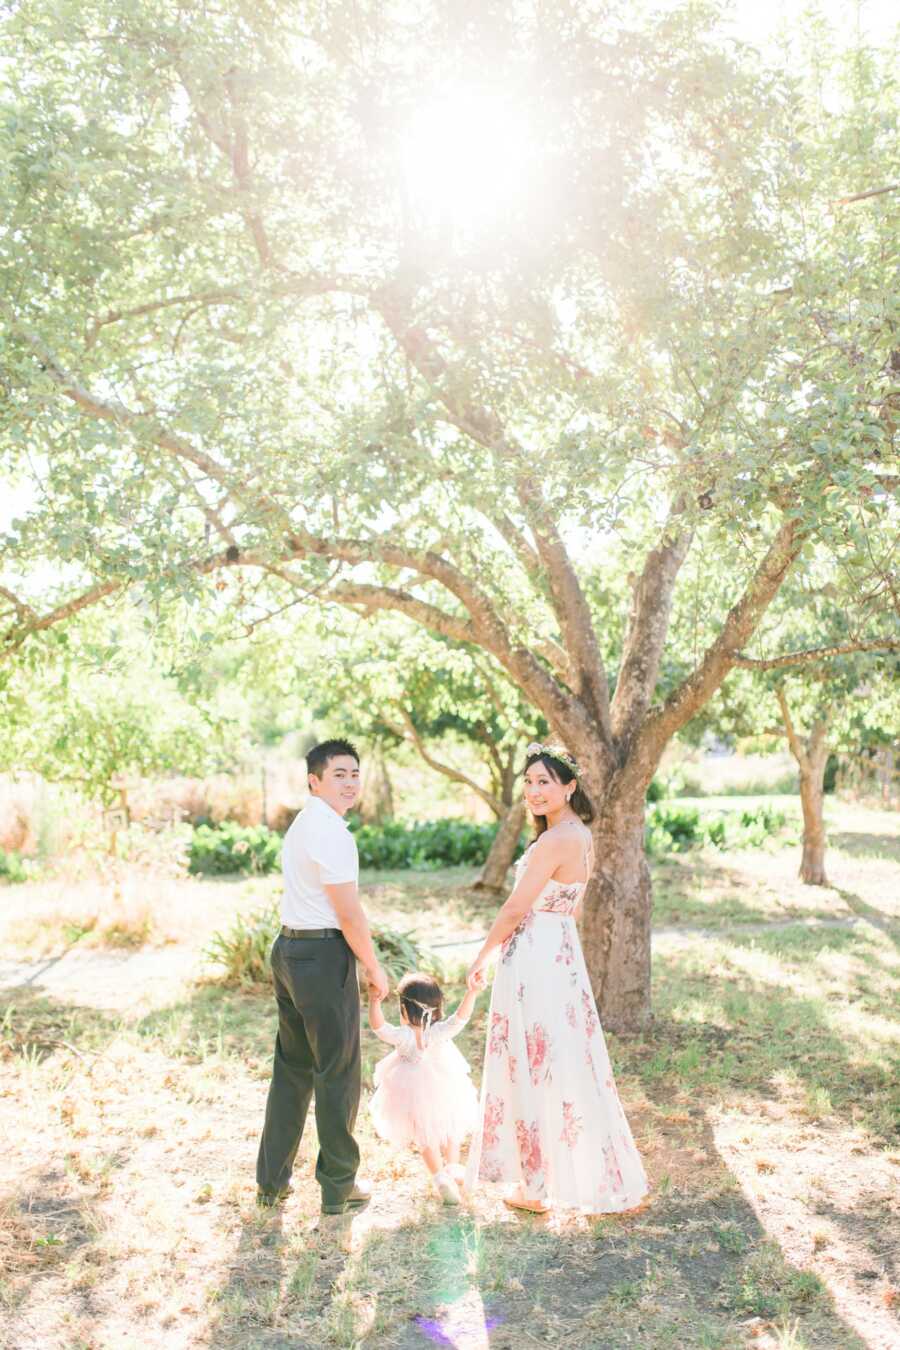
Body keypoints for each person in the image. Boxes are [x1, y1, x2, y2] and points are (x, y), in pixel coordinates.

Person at [464, 743, 648, 1215]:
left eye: (545, 781)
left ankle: (537, 1185)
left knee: (536, 1060)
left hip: (537, 958)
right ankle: (545, 1178)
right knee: (560, 1059)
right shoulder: (577, 834)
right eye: (528, 783)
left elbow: (514, 908)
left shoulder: (555, 841)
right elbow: (570, 905)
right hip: (557, 953)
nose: (534, 791)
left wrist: (481, 956)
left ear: (569, 786)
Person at [256, 738, 389, 1216]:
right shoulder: (331, 831)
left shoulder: (304, 823)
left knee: (292, 1070)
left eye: (355, 773)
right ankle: (338, 1187)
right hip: (321, 956)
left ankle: (271, 1182)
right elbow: (349, 914)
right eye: (339, 774)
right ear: (314, 780)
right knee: (337, 1072)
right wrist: (374, 967)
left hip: (289, 950)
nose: (350, 782)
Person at [368, 971, 479, 1205]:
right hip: (446, 1086)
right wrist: (471, 993)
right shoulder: (439, 1032)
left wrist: (374, 1002)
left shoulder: (402, 1036)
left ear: (405, 1010)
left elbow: (379, 1028)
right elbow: (461, 1018)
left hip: (413, 1090)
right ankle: (453, 1167)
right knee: (451, 1128)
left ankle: (440, 1177)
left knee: (424, 1134)